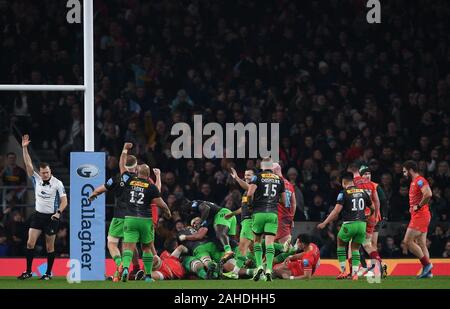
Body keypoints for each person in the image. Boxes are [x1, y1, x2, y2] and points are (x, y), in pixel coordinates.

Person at [17, 135, 68, 280]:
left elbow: (65, 201)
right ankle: (28, 271)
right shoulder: (36, 179)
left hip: (52, 217)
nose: (45, 175)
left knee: (49, 247)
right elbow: (28, 164)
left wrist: (58, 212)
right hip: (38, 216)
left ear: (50, 171)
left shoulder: (57, 183)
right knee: (29, 242)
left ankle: (47, 273)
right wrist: (24, 148)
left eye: (47, 172)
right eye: (42, 172)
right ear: (40, 172)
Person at [317, 172, 373, 280]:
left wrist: (324, 223)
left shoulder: (343, 193)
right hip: (362, 225)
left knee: (340, 244)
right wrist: (369, 214)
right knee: (355, 248)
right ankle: (355, 274)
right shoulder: (363, 192)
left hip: (349, 224)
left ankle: (343, 271)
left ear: (343, 181)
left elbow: (336, 211)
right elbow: (373, 207)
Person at [120, 164, 171, 282]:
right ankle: (148, 276)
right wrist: (167, 211)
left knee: (128, 247)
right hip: (145, 221)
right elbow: (160, 203)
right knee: (147, 248)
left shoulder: (130, 181)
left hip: (130, 219)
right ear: (148, 175)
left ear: (137, 172)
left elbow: (122, 170)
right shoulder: (151, 187)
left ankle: (126, 268)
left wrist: (124, 152)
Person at [247, 157, 286, 282]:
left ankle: (259, 266)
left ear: (262, 166)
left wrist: (250, 205)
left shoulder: (256, 177)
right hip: (272, 214)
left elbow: (249, 194)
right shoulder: (280, 180)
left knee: (257, 241)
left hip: (259, 213)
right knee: (270, 243)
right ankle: (268, 268)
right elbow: (284, 201)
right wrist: (275, 200)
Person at [402, 160, 433, 279]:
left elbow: (428, 194)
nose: (404, 174)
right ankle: (428, 273)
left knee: (407, 242)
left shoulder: (420, 180)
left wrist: (418, 206)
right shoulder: (414, 182)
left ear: (410, 170)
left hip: (421, 215)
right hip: (419, 215)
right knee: (421, 244)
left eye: (405, 171)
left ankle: (427, 265)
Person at [226, 167, 256, 268]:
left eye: (249, 175)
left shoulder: (254, 187)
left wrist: (237, 178)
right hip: (247, 220)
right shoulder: (245, 192)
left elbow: (247, 187)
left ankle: (236, 271)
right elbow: (244, 207)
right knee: (252, 248)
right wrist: (232, 214)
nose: (246, 177)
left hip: (250, 220)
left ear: (255, 177)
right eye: (245, 175)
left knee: (242, 247)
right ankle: (259, 268)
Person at [272, 163, 297, 246]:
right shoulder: (289, 184)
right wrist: (291, 217)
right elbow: (293, 203)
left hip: (279, 217)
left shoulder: (276, 184)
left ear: (274, 171)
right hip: (286, 218)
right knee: (274, 247)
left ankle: (306, 255)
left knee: (286, 248)